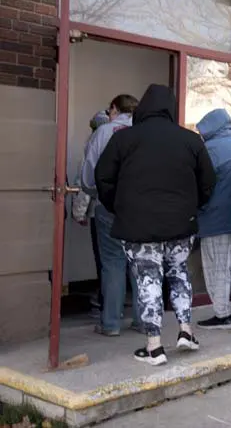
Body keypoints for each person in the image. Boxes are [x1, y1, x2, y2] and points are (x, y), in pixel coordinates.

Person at [95, 84, 216, 366]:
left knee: (148, 279)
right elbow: (209, 182)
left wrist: (119, 207)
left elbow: (103, 178)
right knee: (179, 274)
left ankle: (154, 347)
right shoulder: (191, 140)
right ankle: (186, 331)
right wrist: (191, 206)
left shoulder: (124, 139)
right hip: (181, 225)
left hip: (139, 225)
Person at [80, 94, 142, 337]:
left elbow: (88, 172)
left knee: (113, 263)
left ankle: (111, 323)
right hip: (140, 208)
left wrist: (93, 192)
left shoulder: (104, 132)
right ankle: (142, 320)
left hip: (109, 205)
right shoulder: (144, 132)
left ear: (115, 109)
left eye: (110, 109)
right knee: (139, 263)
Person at [195, 109, 231, 330]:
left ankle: (222, 314)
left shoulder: (210, 150)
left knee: (216, 267)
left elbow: (201, 183)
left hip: (215, 219)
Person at [72, 110, 111, 313]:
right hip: (128, 212)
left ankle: (108, 304)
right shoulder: (126, 142)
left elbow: (85, 183)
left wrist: (79, 213)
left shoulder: (93, 146)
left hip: (100, 211)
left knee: (105, 261)